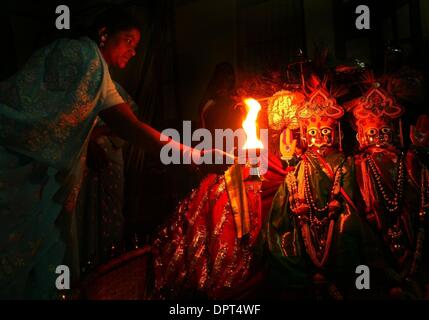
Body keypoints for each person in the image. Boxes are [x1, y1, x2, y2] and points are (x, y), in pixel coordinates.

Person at [0, 8, 220, 299]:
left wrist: (193, 155)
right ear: (104, 34)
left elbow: (134, 127)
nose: (132, 51)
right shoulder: (79, 55)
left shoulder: (100, 78)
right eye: (128, 41)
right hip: (15, 162)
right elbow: (32, 107)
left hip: (46, 183)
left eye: (136, 46)